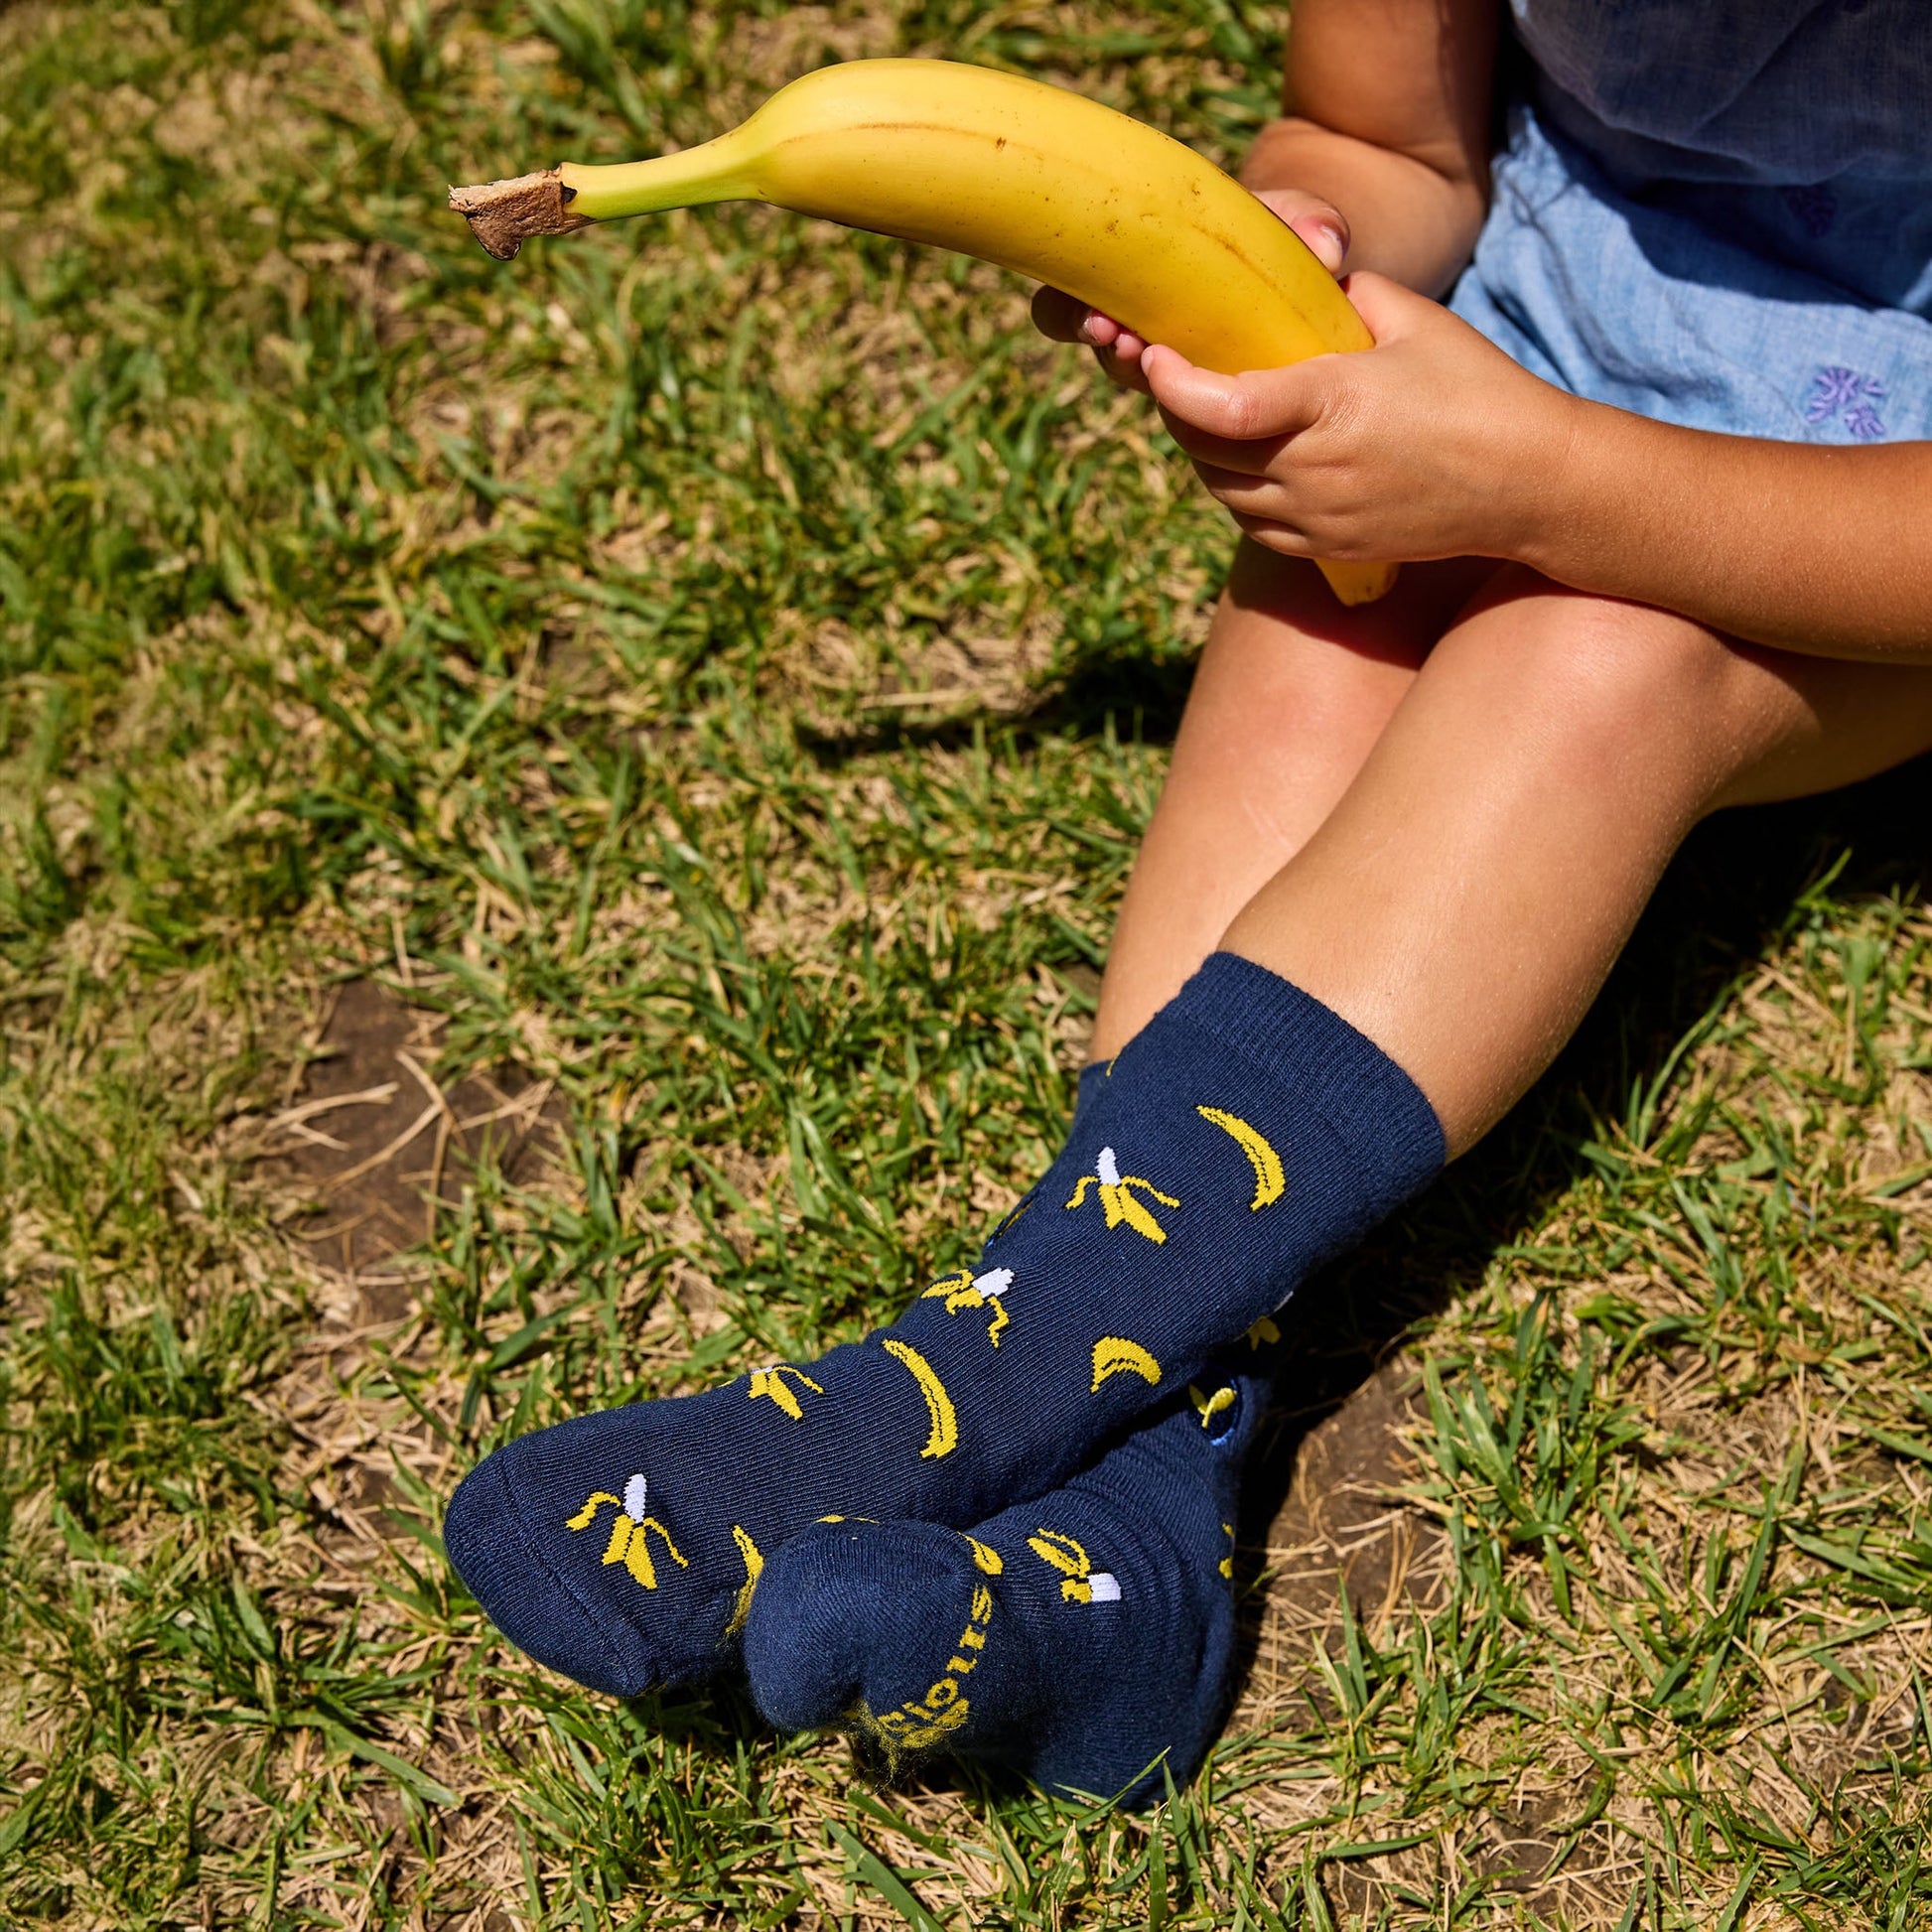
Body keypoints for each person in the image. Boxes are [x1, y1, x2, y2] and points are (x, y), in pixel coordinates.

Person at [442, 0, 1932, 1808]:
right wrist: (1276, 257)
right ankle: (1118, 1557)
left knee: (1578, 657)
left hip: (1860, 519)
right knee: (1328, 616)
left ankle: (938, 1391)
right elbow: (1385, 146)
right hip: (1524, 352)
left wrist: (1557, 487)